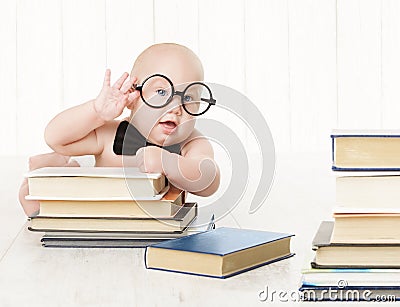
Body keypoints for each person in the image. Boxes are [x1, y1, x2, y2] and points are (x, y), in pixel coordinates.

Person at [19, 43, 220, 217]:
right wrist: (96, 112)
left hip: (151, 224)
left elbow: (209, 180)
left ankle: (70, 164)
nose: (176, 108)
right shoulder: (110, 133)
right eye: (161, 92)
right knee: (40, 200)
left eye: (187, 98)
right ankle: (65, 165)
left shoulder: (191, 142)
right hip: (102, 213)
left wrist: (167, 162)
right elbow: (56, 138)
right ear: (133, 96)